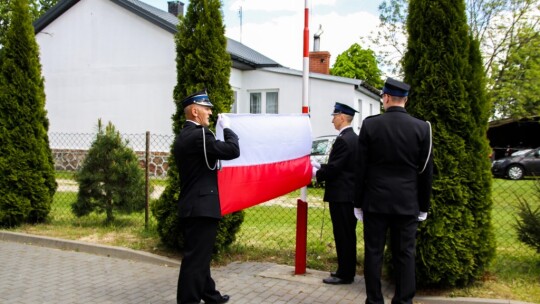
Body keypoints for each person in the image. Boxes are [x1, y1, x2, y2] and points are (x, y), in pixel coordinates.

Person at [355, 78, 433, 304]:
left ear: (386, 98)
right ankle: (403, 301)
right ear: (406, 100)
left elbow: (361, 168)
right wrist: (423, 205)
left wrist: (357, 202)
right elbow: (426, 171)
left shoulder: (370, 125)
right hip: (407, 202)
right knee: (405, 254)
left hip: (375, 202)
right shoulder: (422, 127)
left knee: (374, 253)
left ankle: (374, 300)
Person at [174, 90, 240, 304]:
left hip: (192, 205)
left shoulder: (183, 135)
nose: (210, 112)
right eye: (206, 108)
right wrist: (228, 129)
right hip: (202, 207)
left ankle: (212, 296)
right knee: (195, 261)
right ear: (195, 111)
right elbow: (232, 150)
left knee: (199, 257)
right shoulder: (201, 135)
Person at [312, 102, 359, 285]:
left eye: (334, 116)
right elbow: (343, 165)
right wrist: (322, 166)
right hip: (348, 195)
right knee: (348, 235)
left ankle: (345, 274)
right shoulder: (353, 137)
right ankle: (346, 270)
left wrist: (317, 173)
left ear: (341, 117)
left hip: (341, 196)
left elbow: (335, 169)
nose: (332, 120)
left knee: (343, 235)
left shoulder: (343, 139)